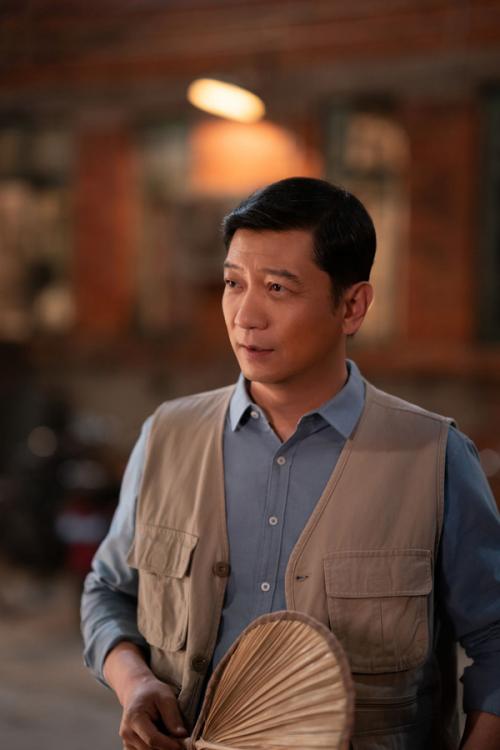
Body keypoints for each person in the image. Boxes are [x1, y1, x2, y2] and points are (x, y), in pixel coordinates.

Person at [81, 177, 500, 750]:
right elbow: (107, 591)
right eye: (234, 283)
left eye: (277, 288)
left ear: (352, 306)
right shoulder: (167, 437)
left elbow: (496, 639)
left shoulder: (433, 457)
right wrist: (135, 682)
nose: (246, 316)